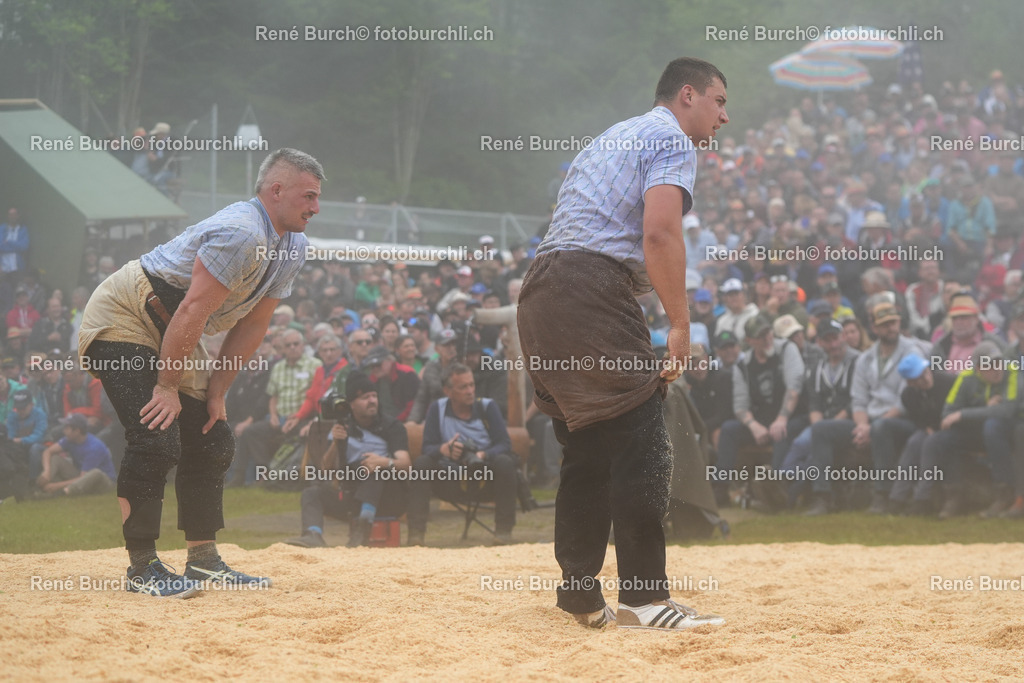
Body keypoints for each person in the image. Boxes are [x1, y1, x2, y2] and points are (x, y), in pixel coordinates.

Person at [517, 57, 727, 630]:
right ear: (688, 95)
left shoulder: (612, 136)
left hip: (542, 290)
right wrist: (679, 325)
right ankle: (645, 598)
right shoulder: (672, 138)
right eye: (719, 101)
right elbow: (660, 232)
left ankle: (580, 596)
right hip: (590, 288)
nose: (723, 117)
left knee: (587, 449)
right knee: (642, 438)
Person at [78, 148, 324, 598]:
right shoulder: (242, 232)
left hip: (173, 326)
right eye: (309, 196)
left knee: (212, 437)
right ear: (277, 190)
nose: (316, 207)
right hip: (124, 315)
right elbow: (192, 309)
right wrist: (167, 386)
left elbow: (254, 325)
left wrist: (216, 393)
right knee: (156, 433)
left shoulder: (293, 245)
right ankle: (142, 567)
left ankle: (203, 560)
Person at [284, 371, 410, 548]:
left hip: (387, 498)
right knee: (311, 493)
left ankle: (363, 529)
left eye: (374, 396)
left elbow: (406, 464)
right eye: (365, 397)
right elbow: (325, 469)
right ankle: (313, 535)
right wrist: (336, 443)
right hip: (352, 496)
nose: (372, 401)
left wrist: (383, 462)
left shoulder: (392, 426)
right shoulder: (343, 426)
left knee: (372, 467)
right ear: (351, 404)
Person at [408, 363, 518, 545]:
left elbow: (504, 444)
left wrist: (483, 455)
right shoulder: (437, 409)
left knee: (505, 462)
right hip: (449, 479)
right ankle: (415, 534)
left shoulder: (487, 407)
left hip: (484, 478)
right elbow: (427, 448)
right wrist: (443, 450)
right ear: (448, 391)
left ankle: (504, 531)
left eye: (472, 385)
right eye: (463, 387)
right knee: (422, 463)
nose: (470, 391)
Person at [35, 414, 116, 497]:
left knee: (96, 473)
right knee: (55, 458)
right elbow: (48, 452)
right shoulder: (69, 439)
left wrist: (57, 486)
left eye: (67, 428)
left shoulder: (94, 447)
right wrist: (46, 472)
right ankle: (42, 486)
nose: (64, 430)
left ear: (77, 431)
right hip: (81, 475)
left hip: (103, 482)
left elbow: (84, 477)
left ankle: (61, 492)